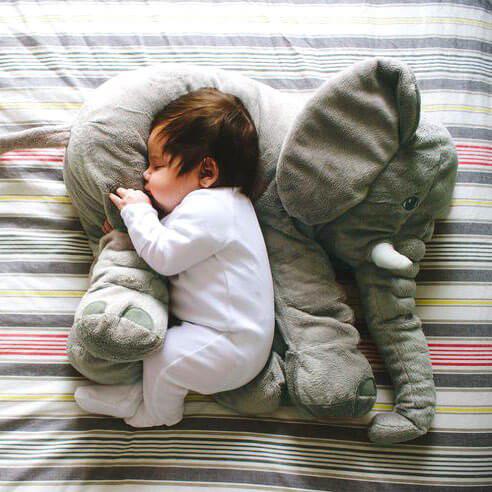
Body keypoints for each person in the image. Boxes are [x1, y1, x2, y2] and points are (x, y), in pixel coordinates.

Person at [74, 88, 275, 427]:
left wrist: (137, 213)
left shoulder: (214, 207)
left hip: (230, 346)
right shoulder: (215, 210)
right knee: (154, 347)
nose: (146, 175)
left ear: (206, 172)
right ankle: (138, 394)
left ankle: (157, 413)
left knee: (164, 356)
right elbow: (169, 244)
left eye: (158, 165)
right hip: (226, 341)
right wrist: (129, 234)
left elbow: (164, 256)